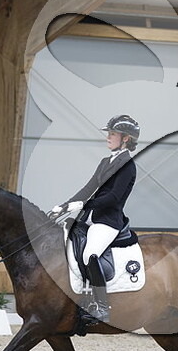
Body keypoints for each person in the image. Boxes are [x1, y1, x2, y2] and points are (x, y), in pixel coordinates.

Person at [50, 114, 139, 324]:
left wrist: (84, 205)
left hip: (109, 221)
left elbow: (113, 197)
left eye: (113, 134)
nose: (108, 137)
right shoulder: (105, 162)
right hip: (91, 219)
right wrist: (64, 206)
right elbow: (88, 188)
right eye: (109, 133)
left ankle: (102, 307)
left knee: (90, 254)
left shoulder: (128, 165)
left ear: (125, 138)